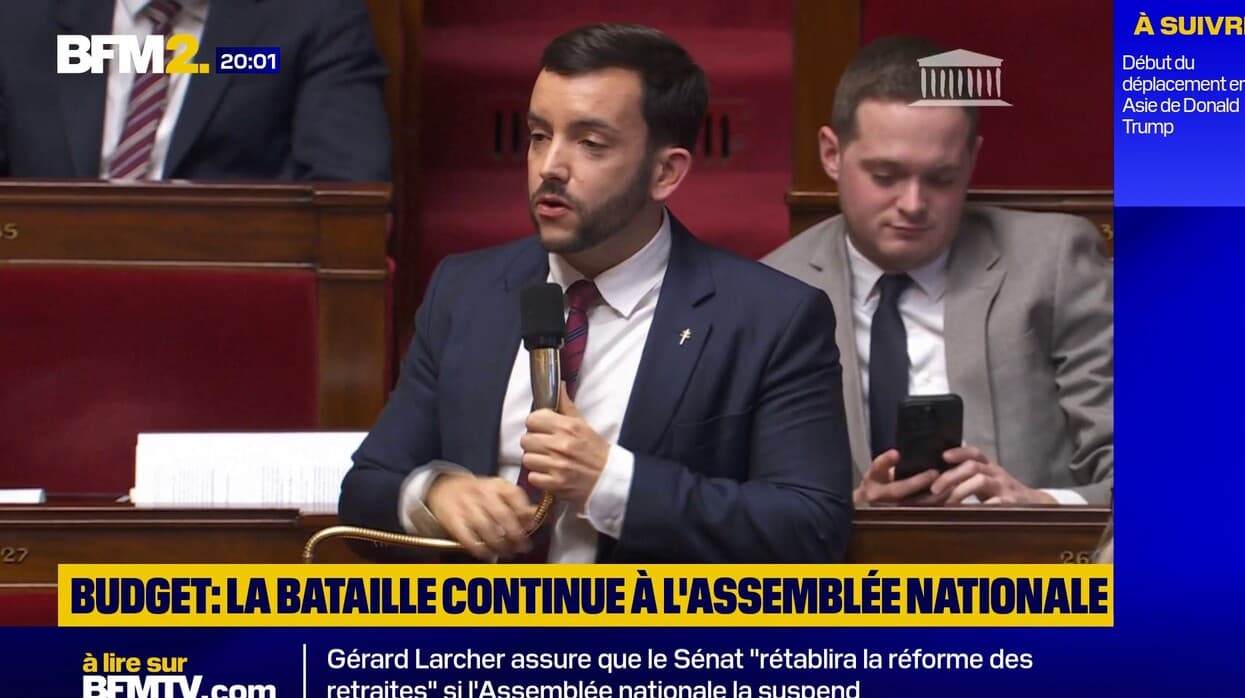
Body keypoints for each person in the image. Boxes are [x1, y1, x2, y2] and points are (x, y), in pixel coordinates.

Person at [338, 23, 852, 563]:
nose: (550, 167)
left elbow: (810, 529)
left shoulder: (771, 319)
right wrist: (435, 494)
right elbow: (366, 488)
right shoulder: (466, 291)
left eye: (590, 144)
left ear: (665, 172)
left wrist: (611, 483)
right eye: (539, 135)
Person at [763, 36, 1112, 507]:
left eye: (941, 179)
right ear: (831, 154)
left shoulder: (1053, 263)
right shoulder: (774, 291)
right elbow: (748, 498)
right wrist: (851, 513)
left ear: (971, 160)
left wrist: (1039, 505)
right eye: (885, 176)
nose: (913, 204)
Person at [0, 0, 391, 181]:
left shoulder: (314, 16)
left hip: (224, 292)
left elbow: (348, 199)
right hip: (48, 287)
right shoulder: (19, 15)